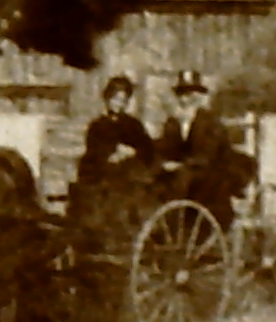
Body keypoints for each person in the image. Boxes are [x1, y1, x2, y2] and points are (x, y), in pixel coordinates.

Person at [157, 69, 250, 225]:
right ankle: (159, 221)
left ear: (198, 97)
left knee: (183, 177)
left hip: (211, 174)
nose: (186, 99)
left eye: (191, 94)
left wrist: (181, 165)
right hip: (186, 173)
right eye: (182, 94)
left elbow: (208, 154)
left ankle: (178, 221)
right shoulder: (173, 123)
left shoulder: (211, 123)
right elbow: (165, 146)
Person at [76, 75, 154, 189]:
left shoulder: (133, 124)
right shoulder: (97, 126)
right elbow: (93, 150)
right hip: (103, 172)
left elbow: (147, 147)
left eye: (123, 101)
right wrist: (112, 153)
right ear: (107, 99)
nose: (119, 104)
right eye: (115, 99)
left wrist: (133, 151)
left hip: (130, 172)